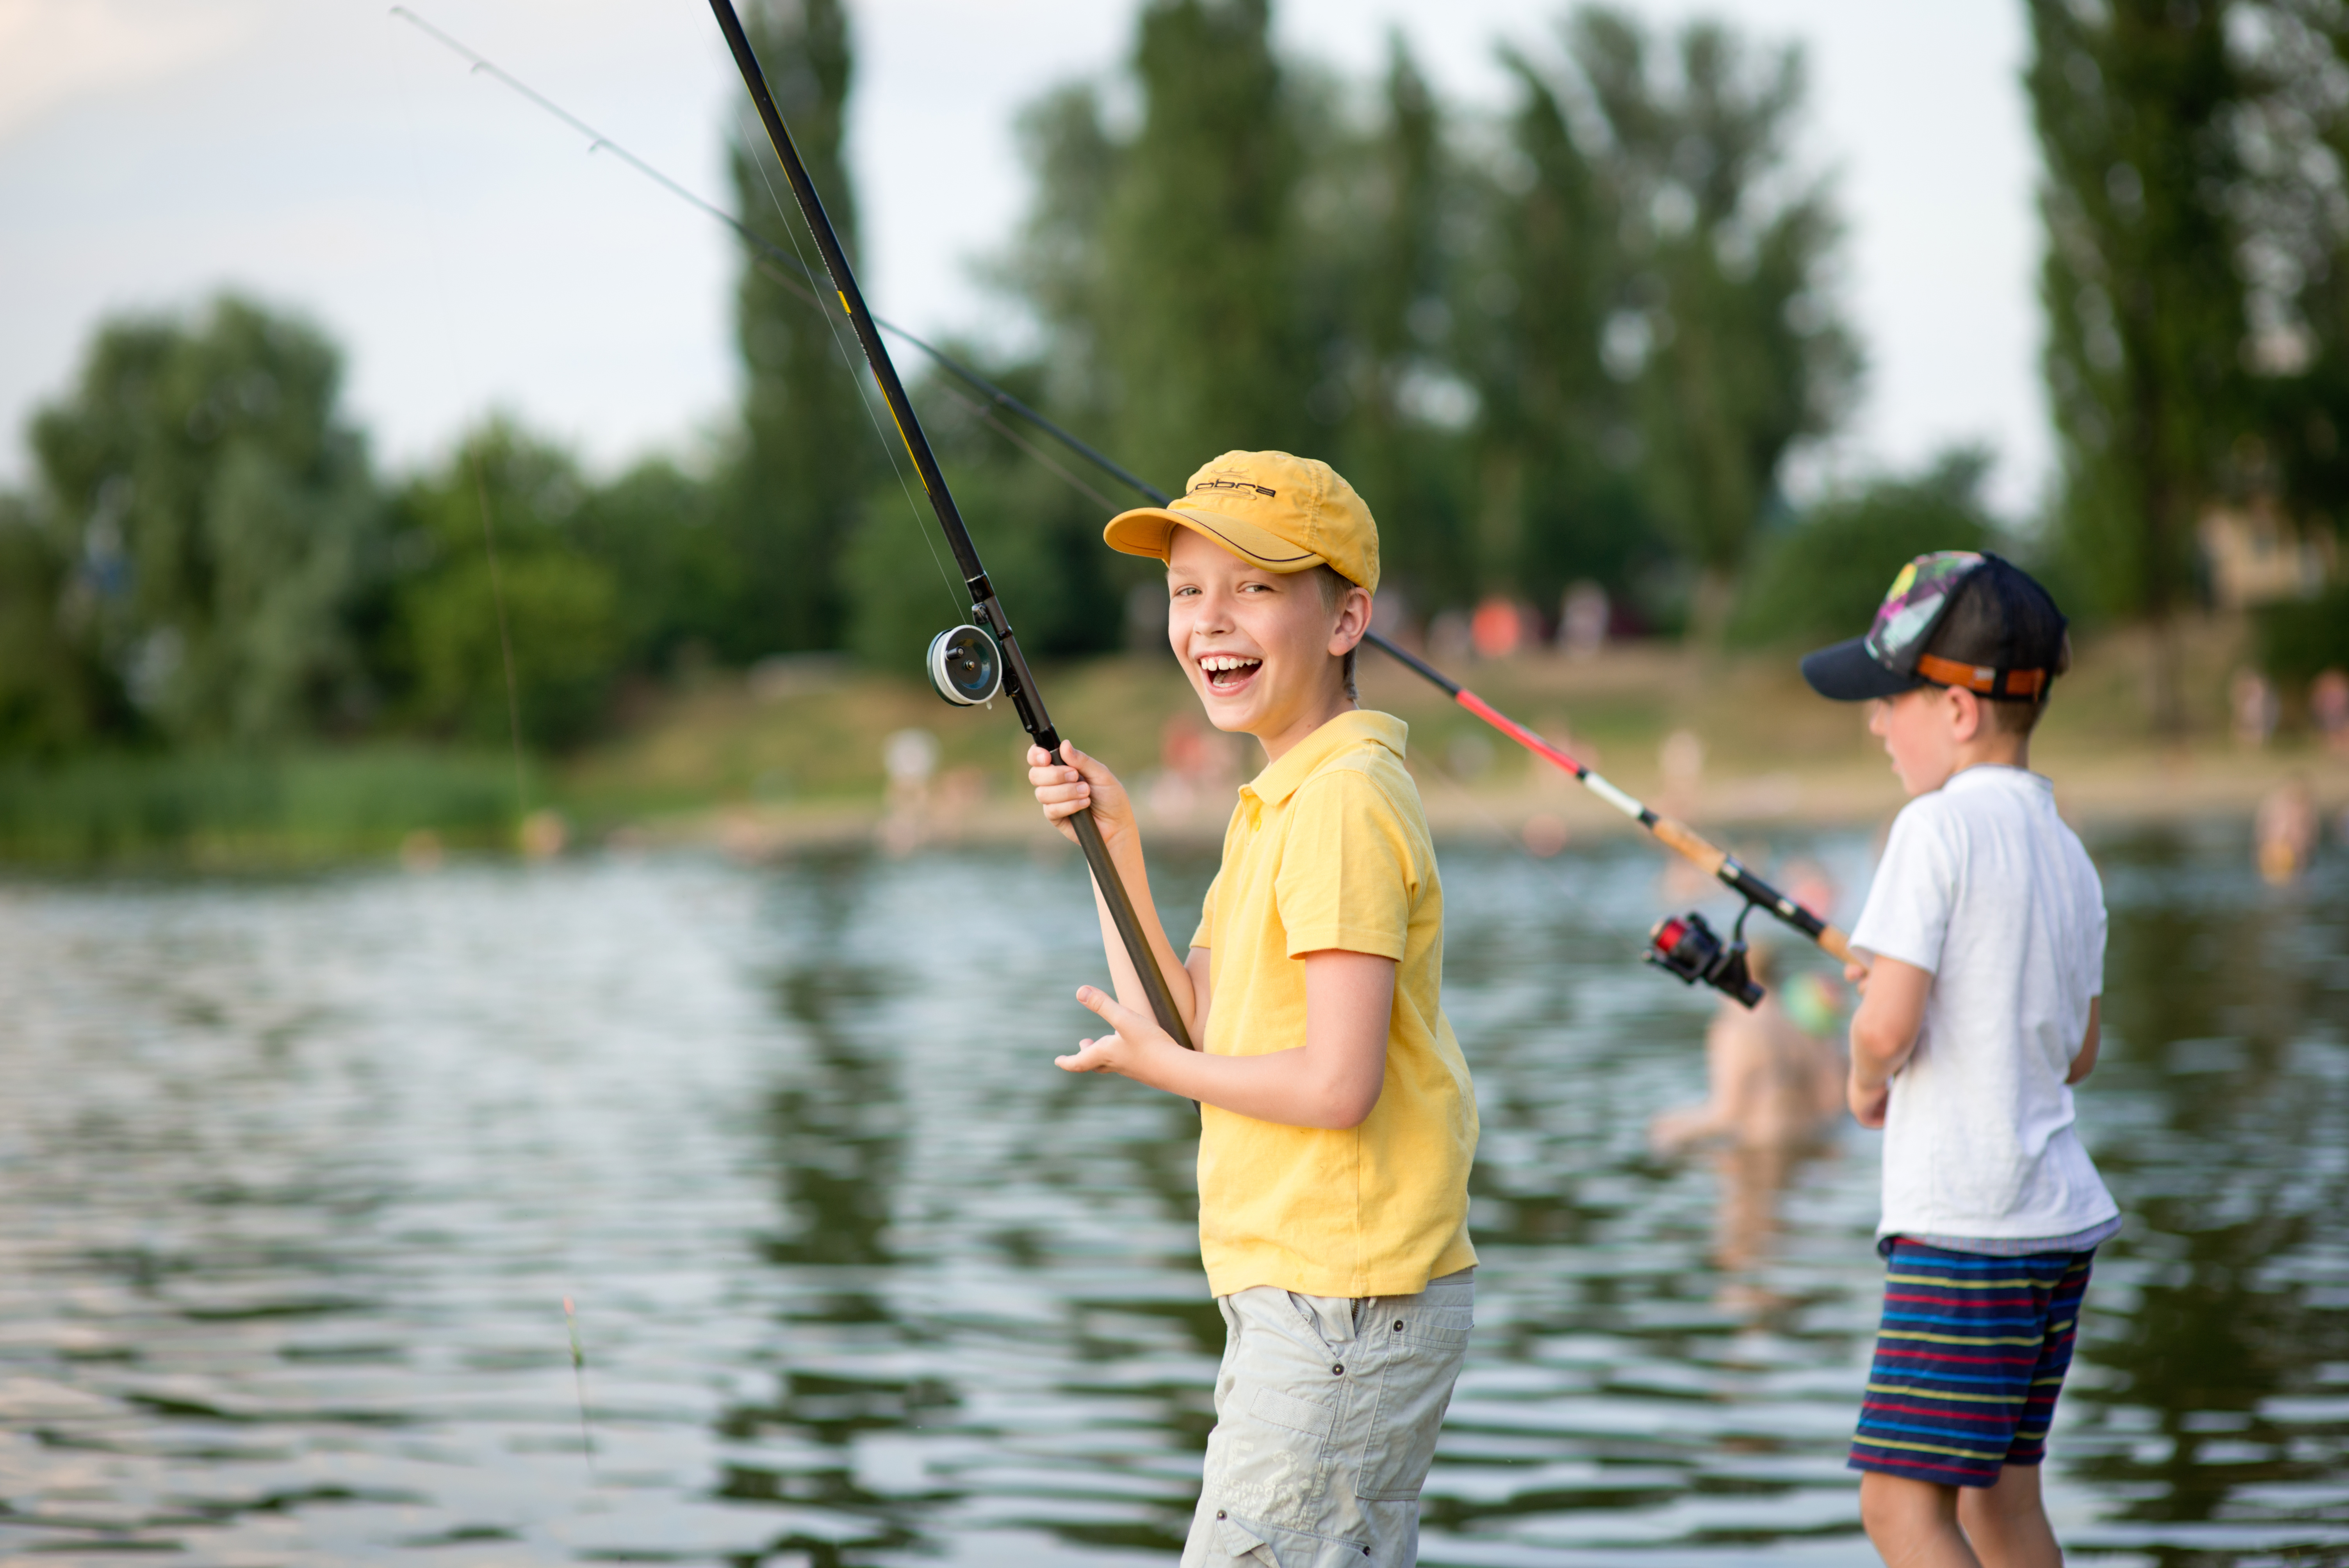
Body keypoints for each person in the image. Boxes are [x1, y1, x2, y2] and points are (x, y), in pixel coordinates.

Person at [1026, 451, 1479, 1567]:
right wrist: (1113, 840)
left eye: (1255, 586)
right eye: (1187, 590)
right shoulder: (1283, 798)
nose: (1209, 620)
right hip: (1312, 1301)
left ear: (1345, 620)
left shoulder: (1337, 803)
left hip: (1341, 1304)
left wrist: (1157, 1070)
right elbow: (1193, 1025)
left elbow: (1336, 1084)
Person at [1801, 552, 2118, 1568]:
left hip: (1966, 1232)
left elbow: (1888, 1032)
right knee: (2004, 1502)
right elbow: (2077, 1051)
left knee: (1901, 1510)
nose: (1874, 722)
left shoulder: (1930, 830)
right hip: (2054, 1230)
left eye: (1890, 699)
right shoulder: (2068, 853)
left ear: (1959, 708)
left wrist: (1861, 1077)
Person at [1650, 942, 1848, 1283]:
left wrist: (1671, 1130)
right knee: (1781, 1242)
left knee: (1741, 1249)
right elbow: (1833, 1104)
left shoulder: (1734, 1028)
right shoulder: (1800, 1023)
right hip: (1803, 1153)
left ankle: (1747, 1285)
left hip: (1756, 1157)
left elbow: (1727, 1115)